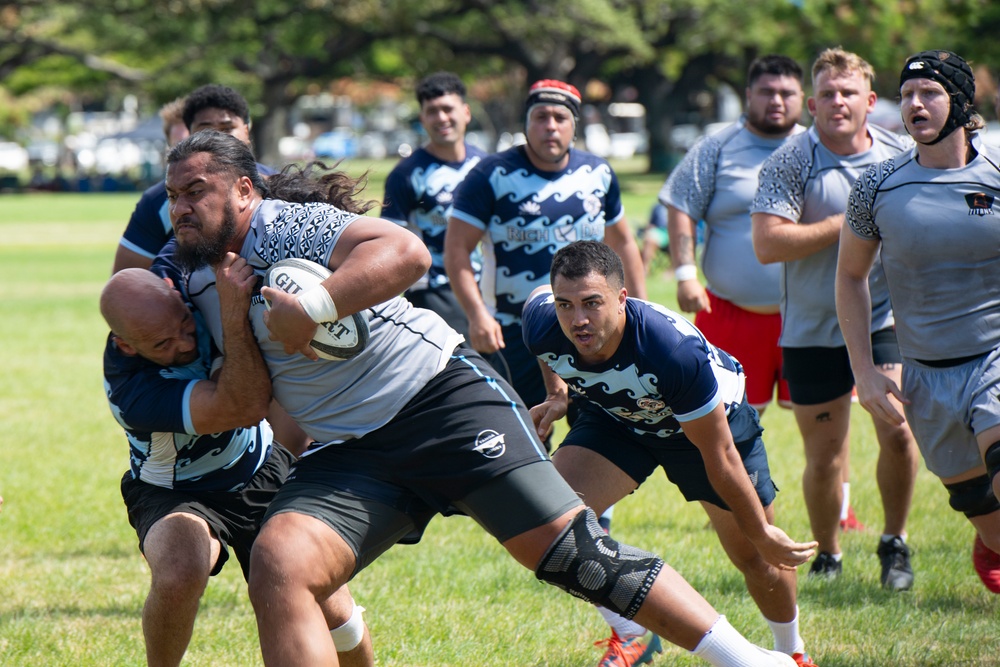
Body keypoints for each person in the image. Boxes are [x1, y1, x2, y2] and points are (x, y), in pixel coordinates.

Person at [165, 129, 805, 667]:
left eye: (198, 191)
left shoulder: (282, 227)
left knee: (569, 553)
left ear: (246, 190)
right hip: (355, 449)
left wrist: (315, 307)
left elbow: (406, 251)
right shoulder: (192, 274)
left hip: (439, 400)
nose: (182, 208)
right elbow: (208, 364)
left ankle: (747, 659)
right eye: (173, 196)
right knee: (279, 562)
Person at [523, 240, 820, 667]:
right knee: (540, 522)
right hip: (619, 419)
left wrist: (760, 529)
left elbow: (718, 455)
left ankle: (792, 652)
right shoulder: (543, 322)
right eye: (565, 305)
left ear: (622, 298)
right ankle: (631, 631)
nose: (579, 320)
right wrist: (558, 393)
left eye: (592, 303)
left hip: (705, 430)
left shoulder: (670, 351)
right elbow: (543, 332)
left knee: (756, 555)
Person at [100, 262, 372, 667]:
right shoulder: (131, 392)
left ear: (175, 291)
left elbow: (214, 233)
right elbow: (241, 406)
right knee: (180, 568)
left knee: (329, 599)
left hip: (262, 465)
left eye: (183, 325)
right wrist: (231, 309)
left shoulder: (179, 276)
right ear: (126, 345)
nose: (183, 343)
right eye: (162, 345)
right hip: (175, 490)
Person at [750, 47, 920, 590]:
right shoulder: (791, 160)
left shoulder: (901, 154)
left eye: (848, 93)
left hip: (884, 320)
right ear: (812, 102)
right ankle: (828, 553)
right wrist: (850, 223)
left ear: (871, 101)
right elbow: (767, 242)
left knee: (897, 432)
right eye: (827, 93)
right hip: (812, 329)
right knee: (823, 457)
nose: (837, 102)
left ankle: (895, 544)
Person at [836, 49, 1000, 594]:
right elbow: (850, 278)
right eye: (906, 94)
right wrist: (864, 369)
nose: (914, 104)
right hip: (926, 376)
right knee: (989, 520)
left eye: (928, 92)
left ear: (960, 102)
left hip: (994, 360)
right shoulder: (877, 187)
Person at [445, 79, 646, 413]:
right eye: (540, 117)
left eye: (560, 118)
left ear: (574, 126)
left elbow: (623, 242)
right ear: (525, 124)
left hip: (591, 326)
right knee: (524, 428)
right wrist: (477, 314)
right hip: (514, 329)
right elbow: (456, 250)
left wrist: (638, 312)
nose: (550, 126)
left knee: (598, 428)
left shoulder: (597, 173)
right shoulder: (490, 174)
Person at [661, 54, 806, 417]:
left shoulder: (817, 147)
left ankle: (838, 480)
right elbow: (681, 205)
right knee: (727, 420)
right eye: (766, 91)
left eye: (787, 93)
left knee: (823, 422)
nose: (776, 101)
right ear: (748, 95)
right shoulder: (716, 145)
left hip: (810, 313)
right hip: (730, 311)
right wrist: (684, 275)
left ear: (803, 97)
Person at [112, 84, 273, 273]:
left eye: (227, 127)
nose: (217, 135)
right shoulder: (157, 202)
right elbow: (126, 283)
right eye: (205, 128)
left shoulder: (279, 188)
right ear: (190, 133)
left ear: (246, 130)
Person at [381, 72, 488, 340]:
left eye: (447, 109)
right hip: (435, 293)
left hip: (489, 287)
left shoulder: (487, 167)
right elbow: (391, 245)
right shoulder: (405, 175)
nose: (441, 118)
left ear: (466, 112)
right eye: (432, 111)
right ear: (422, 119)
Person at [639, 202, 671, 276]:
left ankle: (673, 271)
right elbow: (651, 224)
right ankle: (644, 269)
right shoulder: (658, 206)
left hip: (673, 233)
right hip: (658, 232)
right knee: (649, 238)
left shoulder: (680, 206)